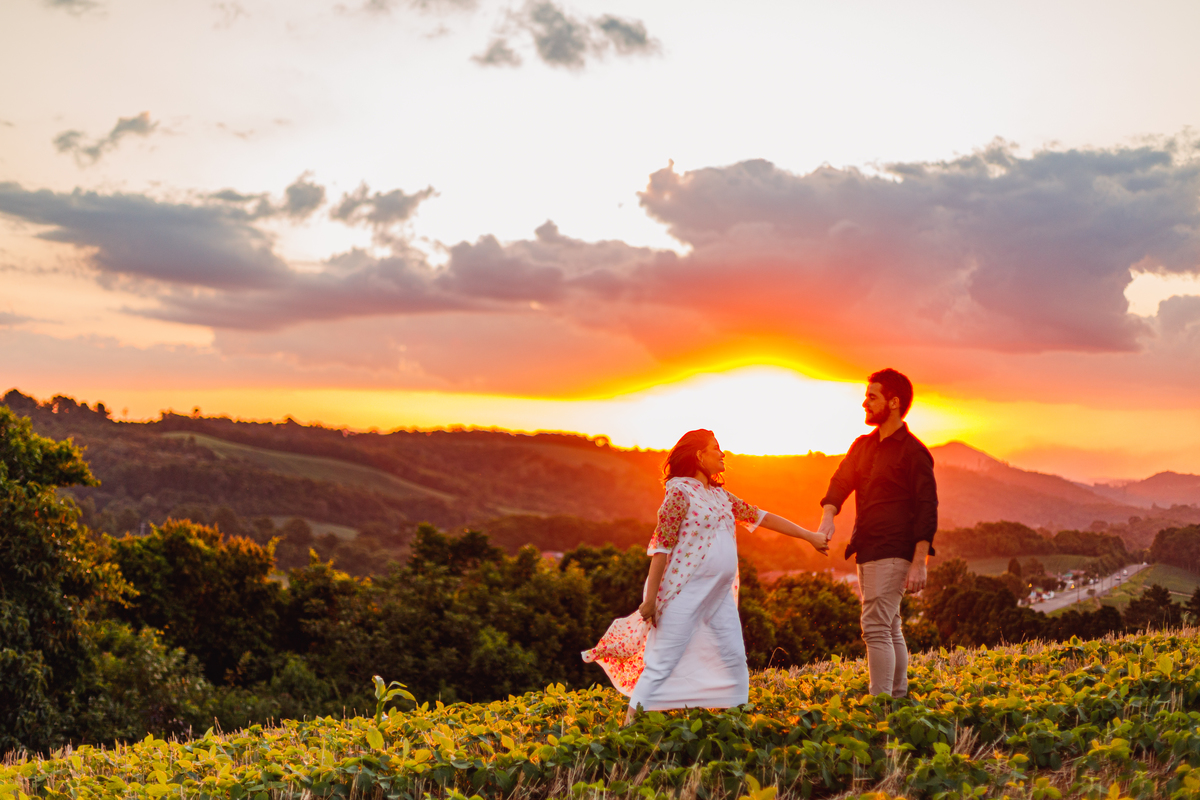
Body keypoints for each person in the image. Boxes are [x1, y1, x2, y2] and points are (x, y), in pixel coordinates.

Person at [582, 429, 828, 723]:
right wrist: (649, 600)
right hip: (682, 592)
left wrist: (809, 536)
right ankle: (628, 729)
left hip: (719, 595)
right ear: (699, 455)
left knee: (734, 657)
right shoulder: (679, 493)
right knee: (662, 663)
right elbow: (661, 548)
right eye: (716, 448)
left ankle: (736, 724)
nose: (723, 454)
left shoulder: (720, 495)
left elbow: (762, 516)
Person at [817, 368, 938, 698]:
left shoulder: (914, 453)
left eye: (872, 397)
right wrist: (829, 517)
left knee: (874, 627)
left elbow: (928, 508)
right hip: (867, 548)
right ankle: (896, 697)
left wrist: (919, 562)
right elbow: (841, 481)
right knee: (889, 625)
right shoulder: (863, 446)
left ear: (894, 403)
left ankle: (881, 704)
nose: (864, 403)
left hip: (895, 550)